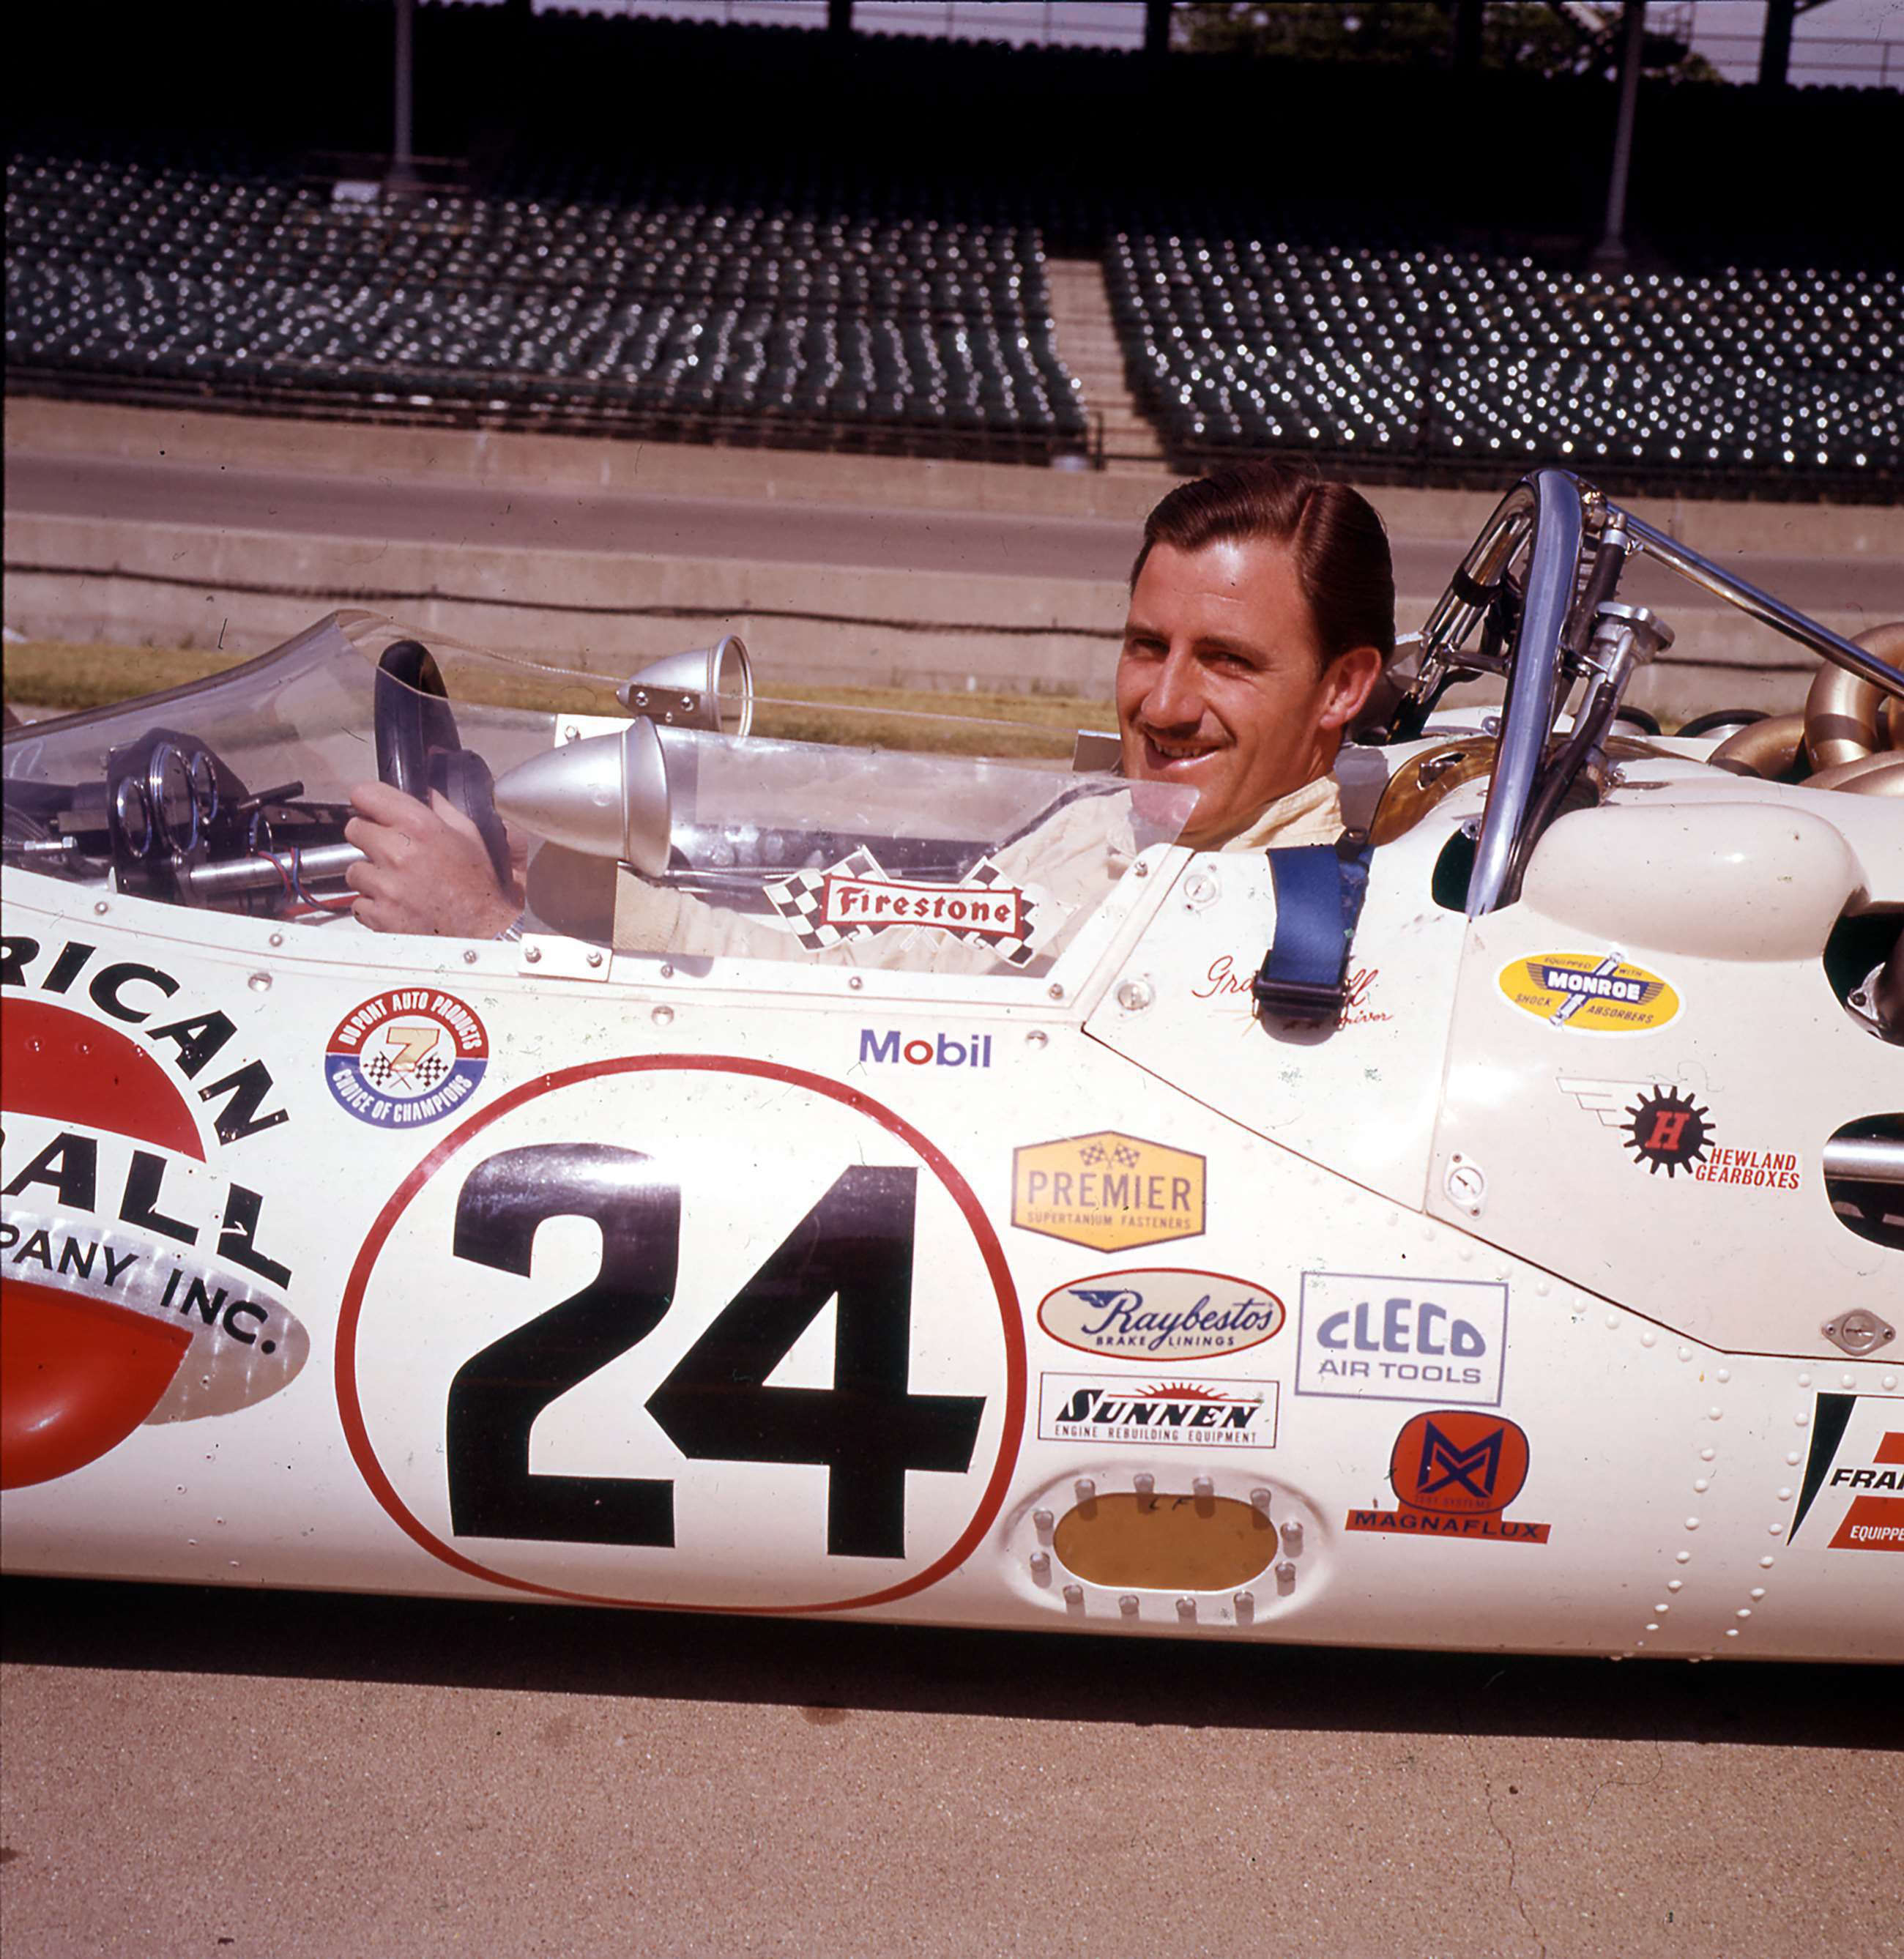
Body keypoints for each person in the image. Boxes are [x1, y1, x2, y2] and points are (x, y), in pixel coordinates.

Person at [343, 457, 1394, 959]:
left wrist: (486, 930)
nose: (1163, 703)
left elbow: (880, 1029)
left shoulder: (1244, 916)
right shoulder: (1132, 825)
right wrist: (571, 897)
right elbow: (896, 956)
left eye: (1226, 661)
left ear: (1342, 686)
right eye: (1145, 646)